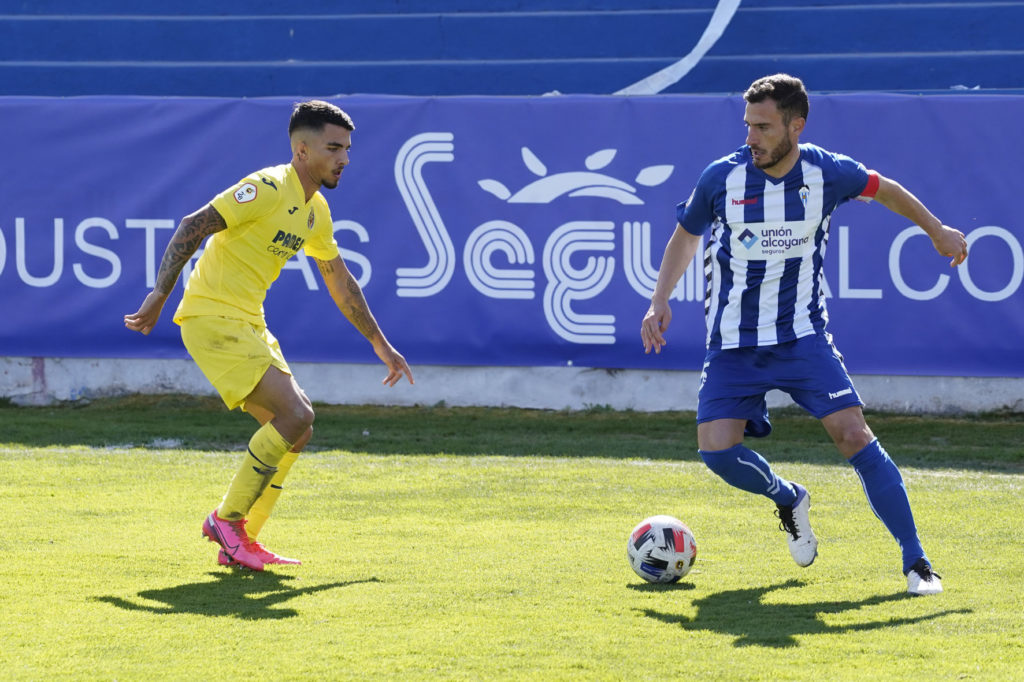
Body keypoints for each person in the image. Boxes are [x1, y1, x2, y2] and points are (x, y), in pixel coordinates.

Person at [641, 74, 967, 596]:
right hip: (733, 345)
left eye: (764, 127)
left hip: (802, 339)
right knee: (717, 452)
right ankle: (788, 497)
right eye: (748, 125)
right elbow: (686, 234)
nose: (752, 138)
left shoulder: (826, 172)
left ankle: (918, 563)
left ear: (797, 125)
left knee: (854, 436)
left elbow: (885, 190)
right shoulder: (721, 178)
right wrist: (659, 300)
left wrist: (936, 230)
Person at [125, 100, 413, 571]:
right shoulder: (267, 187)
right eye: (333, 147)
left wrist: (379, 343)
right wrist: (160, 292)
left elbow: (340, 280)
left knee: (296, 431)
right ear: (302, 150)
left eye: (347, 149)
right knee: (296, 412)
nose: (345, 158)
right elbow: (191, 226)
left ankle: (241, 542)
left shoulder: (316, 210)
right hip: (212, 318)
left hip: (248, 323)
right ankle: (227, 520)